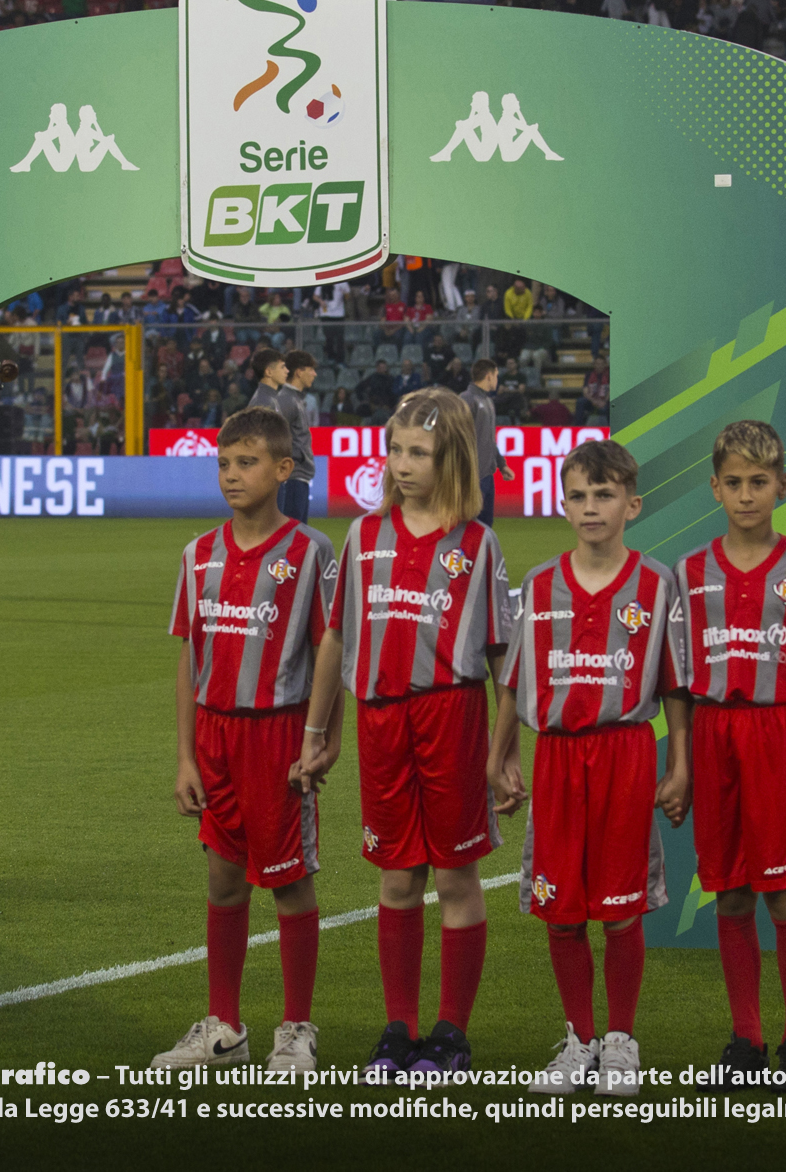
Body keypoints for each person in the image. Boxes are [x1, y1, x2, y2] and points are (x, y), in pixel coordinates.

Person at [488, 438, 691, 1098]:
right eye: (578, 495)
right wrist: (500, 754)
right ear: (564, 505)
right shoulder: (540, 584)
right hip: (557, 758)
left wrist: (679, 763)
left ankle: (622, 1041)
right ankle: (579, 1040)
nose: (591, 507)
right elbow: (515, 683)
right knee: (562, 909)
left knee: (621, 908)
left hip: (625, 755)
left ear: (632, 504)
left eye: (604, 495)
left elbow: (676, 686)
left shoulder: (657, 584)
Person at [320, 388, 509, 1079]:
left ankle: (451, 1032)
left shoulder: (477, 543)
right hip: (381, 722)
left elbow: (502, 656)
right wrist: (316, 730)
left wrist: (505, 751)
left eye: (419, 453)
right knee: (397, 876)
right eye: (395, 450)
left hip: (452, 717)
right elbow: (336, 636)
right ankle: (398, 1028)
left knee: (456, 875)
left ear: (451, 457)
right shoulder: (363, 536)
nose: (402, 465)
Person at [149, 406, 339, 1075]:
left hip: (278, 736)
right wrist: (185, 757)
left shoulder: (311, 552)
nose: (232, 474)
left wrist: (323, 738)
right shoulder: (197, 553)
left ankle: (296, 1029)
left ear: (284, 469)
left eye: (247, 462)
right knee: (224, 877)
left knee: (289, 881)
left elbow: (331, 651)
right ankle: (224, 1027)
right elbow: (188, 655)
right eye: (224, 463)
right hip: (215, 736)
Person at [677, 422, 786, 1091]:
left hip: (778, 733)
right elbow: (677, 679)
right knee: (730, 890)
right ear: (715, 488)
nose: (747, 495)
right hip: (713, 733)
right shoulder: (690, 572)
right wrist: (680, 763)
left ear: (783, 486)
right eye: (735, 482)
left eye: (760, 482)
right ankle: (745, 1041)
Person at [246, 348, 311, 523]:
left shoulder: (270, 399)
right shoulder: (264, 401)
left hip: (273, 476)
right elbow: (259, 444)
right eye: (282, 367)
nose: (287, 371)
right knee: (275, 531)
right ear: (269, 372)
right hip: (269, 478)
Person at [464, 359, 512, 524]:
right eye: (496, 376)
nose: (497, 380)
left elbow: (489, 439)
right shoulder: (467, 399)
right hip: (472, 475)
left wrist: (501, 464)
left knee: (485, 527)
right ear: (489, 376)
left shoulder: (487, 401)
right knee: (470, 524)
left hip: (486, 474)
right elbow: (457, 437)